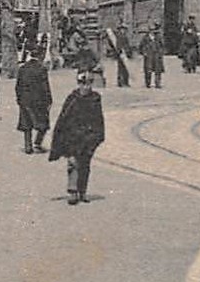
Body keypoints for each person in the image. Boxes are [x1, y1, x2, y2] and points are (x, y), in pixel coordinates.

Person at [49, 70, 106, 205]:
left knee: (85, 164)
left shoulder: (95, 99)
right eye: (83, 84)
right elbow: (63, 118)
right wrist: (60, 138)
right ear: (78, 84)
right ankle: (73, 192)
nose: (85, 87)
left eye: (88, 84)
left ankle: (82, 191)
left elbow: (99, 119)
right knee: (73, 163)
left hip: (88, 138)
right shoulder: (72, 99)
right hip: (72, 137)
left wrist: (98, 136)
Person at [15, 48, 53, 154]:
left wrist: (19, 98)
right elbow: (45, 86)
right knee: (43, 123)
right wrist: (49, 99)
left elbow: (18, 86)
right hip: (39, 100)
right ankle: (37, 143)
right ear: (40, 56)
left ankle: (28, 146)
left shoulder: (22, 68)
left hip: (25, 99)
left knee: (26, 123)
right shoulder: (42, 69)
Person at [105, 22, 131, 88]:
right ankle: (121, 82)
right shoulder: (118, 37)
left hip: (125, 54)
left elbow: (127, 45)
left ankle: (125, 82)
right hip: (120, 54)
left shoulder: (125, 37)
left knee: (126, 69)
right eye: (122, 29)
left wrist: (128, 52)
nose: (123, 31)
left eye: (124, 29)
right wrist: (119, 51)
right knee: (121, 69)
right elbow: (115, 45)